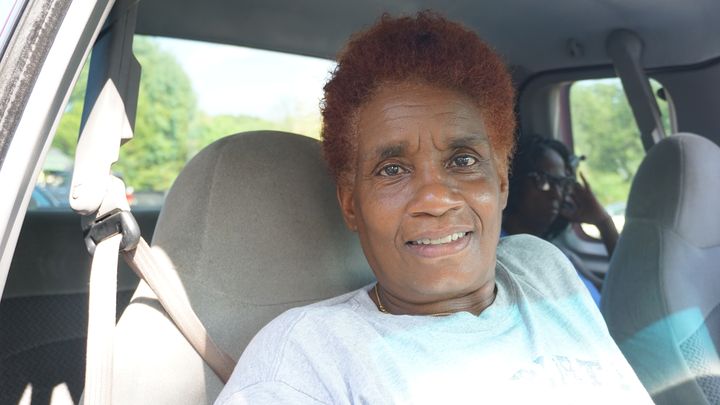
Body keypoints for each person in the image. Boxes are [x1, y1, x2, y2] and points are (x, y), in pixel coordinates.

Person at [215, 12, 651, 404]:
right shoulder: (307, 358)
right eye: (392, 169)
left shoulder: (542, 268)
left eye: (463, 161)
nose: (436, 199)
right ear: (351, 204)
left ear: (500, 180)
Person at [502, 135, 619, 306]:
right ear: (514, 180)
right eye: (544, 181)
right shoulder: (503, 254)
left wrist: (603, 222)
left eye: (562, 184)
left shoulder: (560, 253)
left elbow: (615, 293)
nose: (556, 194)